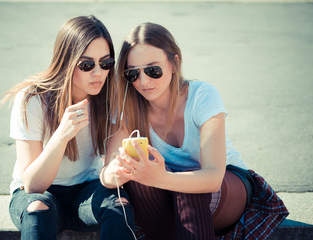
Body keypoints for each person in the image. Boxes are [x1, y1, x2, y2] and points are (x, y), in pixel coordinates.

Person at [100, 22, 288, 240]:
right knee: (137, 180)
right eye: (133, 73)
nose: (143, 81)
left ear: (173, 63)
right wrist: (119, 170)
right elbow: (106, 176)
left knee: (188, 190)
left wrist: (159, 178)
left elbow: (213, 178)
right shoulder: (127, 106)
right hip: (168, 196)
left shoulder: (202, 96)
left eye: (153, 70)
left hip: (225, 186)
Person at [1, 15, 136, 240]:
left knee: (118, 204)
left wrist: (122, 168)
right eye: (86, 65)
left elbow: (110, 170)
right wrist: (61, 135)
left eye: (106, 63)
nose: (98, 73)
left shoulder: (111, 95)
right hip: (39, 195)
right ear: (66, 61)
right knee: (37, 209)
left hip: (86, 193)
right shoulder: (33, 98)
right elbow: (33, 185)